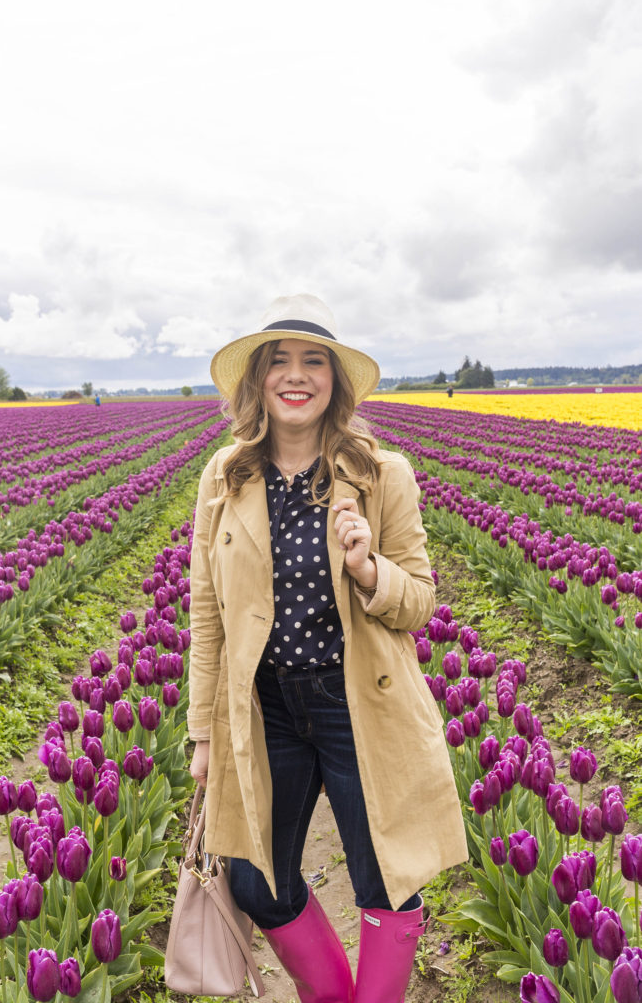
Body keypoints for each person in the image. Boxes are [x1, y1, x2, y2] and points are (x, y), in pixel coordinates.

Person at [187, 294, 467, 1003]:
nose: (295, 375)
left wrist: (369, 568)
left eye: (313, 361)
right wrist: (202, 734)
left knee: (386, 881)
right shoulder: (225, 476)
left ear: (335, 381)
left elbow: (422, 601)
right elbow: (207, 614)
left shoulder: (381, 474)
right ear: (255, 379)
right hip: (267, 709)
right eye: (278, 361)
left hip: (357, 704)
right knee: (256, 879)